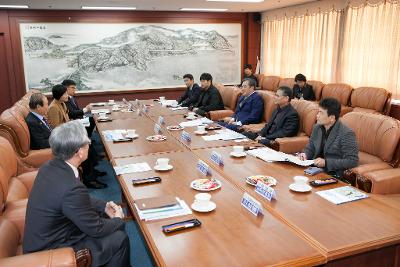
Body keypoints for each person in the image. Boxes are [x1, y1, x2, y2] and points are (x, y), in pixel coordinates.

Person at [23, 120, 130, 267]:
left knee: (106, 218)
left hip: (46, 236)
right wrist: (118, 220)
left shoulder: (49, 167)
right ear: (79, 152)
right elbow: (96, 228)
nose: (89, 145)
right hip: (51, 249)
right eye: (87, 143)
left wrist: (104, 206)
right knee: (119, 236)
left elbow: (76, 199)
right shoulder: (71, 187)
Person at [298, 98, 358, 177]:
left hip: (332, 173)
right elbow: (310, 147)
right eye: (318, 112)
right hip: (313, 168)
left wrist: (326, 162)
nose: (317, 115)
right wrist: (305, 154)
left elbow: (352, 161)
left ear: (332, 118)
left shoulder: (346, 133)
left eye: (321, 113)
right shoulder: (317, 127)